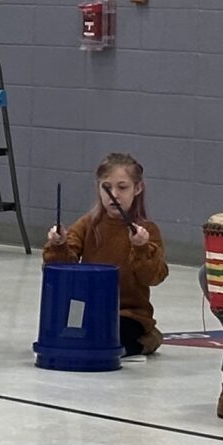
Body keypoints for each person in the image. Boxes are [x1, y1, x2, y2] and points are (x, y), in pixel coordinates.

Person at [47, 152, 170, 356]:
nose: (114, 194)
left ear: (137, 188)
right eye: (107, 187)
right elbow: (59, 268)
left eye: (122, 187)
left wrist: (141, 248)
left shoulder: (147, 230)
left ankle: (149, 339)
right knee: (66, 338)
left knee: (109, 343)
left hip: (128, 313)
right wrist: (58, 244)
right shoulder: (88, 224)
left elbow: (153, 277)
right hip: (87, 307)